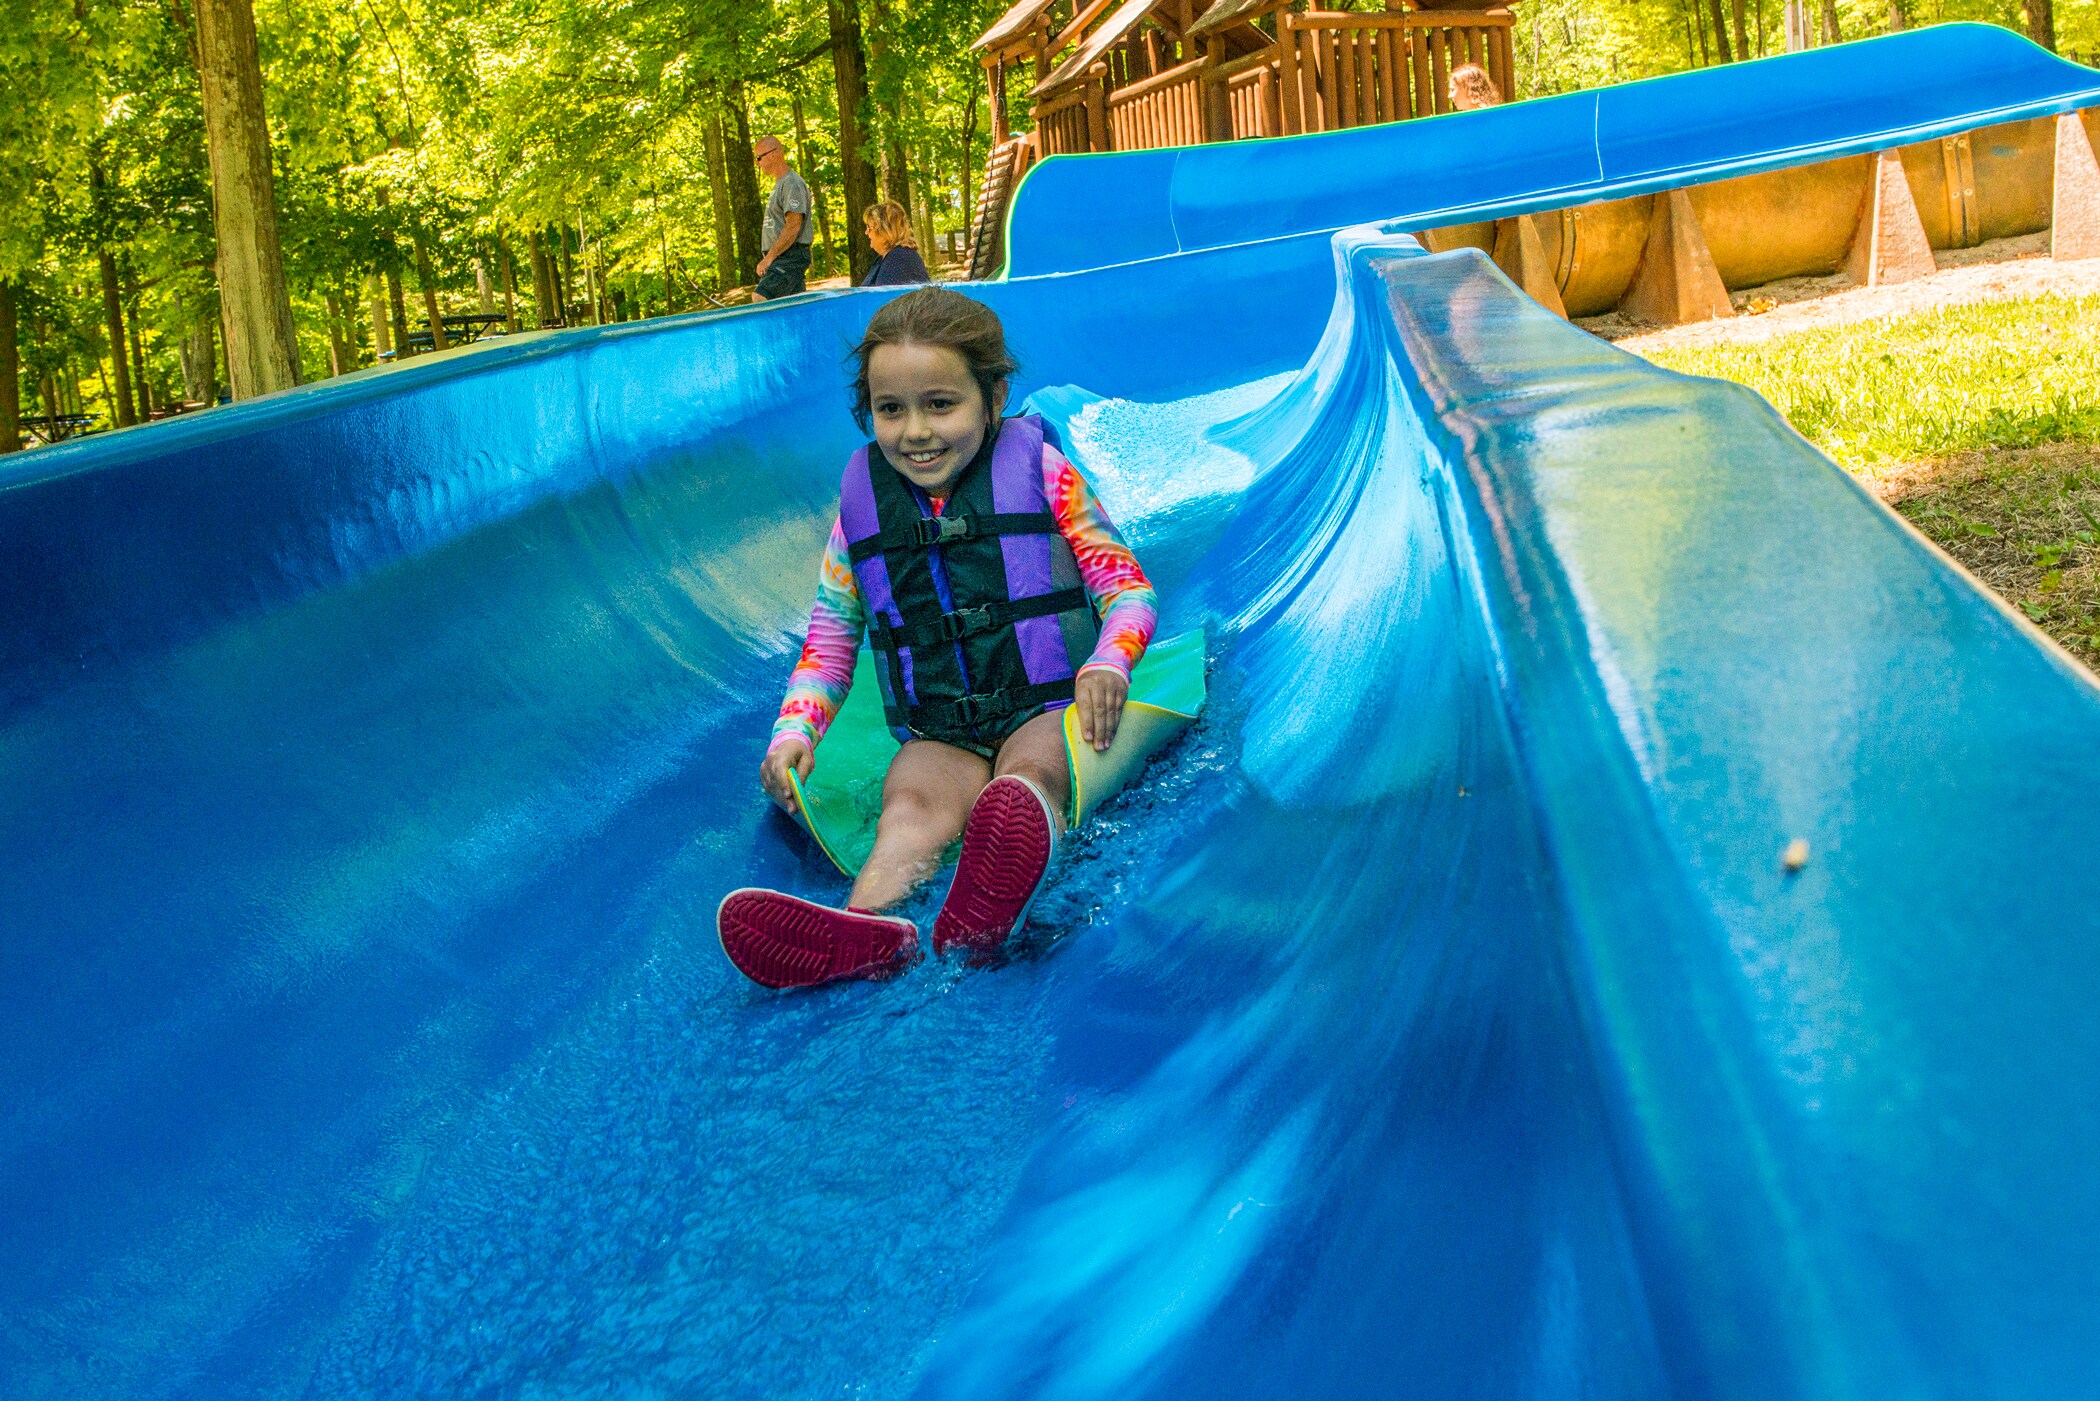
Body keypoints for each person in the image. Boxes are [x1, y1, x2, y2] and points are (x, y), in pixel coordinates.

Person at [718, 287, 1158, 990]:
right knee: (909, 808)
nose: (915, 431)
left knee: (1029, 775)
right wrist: (792, 734)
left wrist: (1108, 661)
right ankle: (869, 925)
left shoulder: (1044, 474)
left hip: (1040, 706)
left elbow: (1126, 587)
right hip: (941, 731)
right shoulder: (862, 508)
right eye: (891, 410)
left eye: (940, 404)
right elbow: (830, 640)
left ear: (994, 394)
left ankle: (996, 886)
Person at [752, 136, 815, 300]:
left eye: (759, 158)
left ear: (773, 154)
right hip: (782, 256)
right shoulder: (780, 184)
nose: (757, 163)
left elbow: (793, 225)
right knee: (794, 310)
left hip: (790, 256)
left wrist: (770, 258)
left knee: (760, 297)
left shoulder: (791, 183)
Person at [861, 201, 931, 287]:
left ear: (884, 230)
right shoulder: (888, 257)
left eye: (869, 228)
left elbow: (885, 297)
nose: (866, 233)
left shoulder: (899, 258)